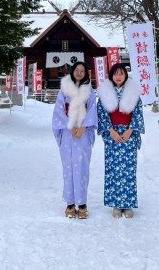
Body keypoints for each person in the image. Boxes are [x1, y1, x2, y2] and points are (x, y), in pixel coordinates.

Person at [97, 63, 144, 218]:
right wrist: (111, 131)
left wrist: (130, 130)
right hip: (112, 136)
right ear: (111, 76)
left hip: (129, 135)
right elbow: (102, 114)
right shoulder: (105, 93)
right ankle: (116, 204)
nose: (118, 77)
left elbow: (138, 113)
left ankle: (128, 204)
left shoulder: (133, 92)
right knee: (113, 170)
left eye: (121, 73)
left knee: (129, 170)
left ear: (125, 75)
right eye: (115, 74)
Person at [51, 62, 97, 219]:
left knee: (82, 168)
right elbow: (59, 111)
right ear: (72, 71)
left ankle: (82, 203)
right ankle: (70, 203)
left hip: (83, 133)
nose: (79, 73)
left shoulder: (89, 90)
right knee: (68, 168)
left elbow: (92, 109)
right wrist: (70, 126)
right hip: (68, 133)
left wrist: (84, 127)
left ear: (86, 73)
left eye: (82, 70)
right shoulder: (64, 89)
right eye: (77, 70)